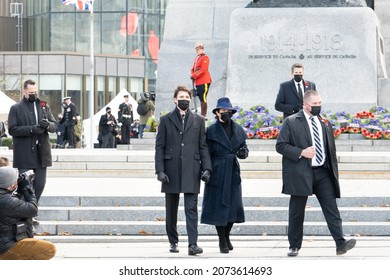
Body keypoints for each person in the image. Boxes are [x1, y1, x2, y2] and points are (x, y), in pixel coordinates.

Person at [275, 90, 356, 257]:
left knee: (332, 209)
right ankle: (294, 245)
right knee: (297, 212)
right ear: (305, 105)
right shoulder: (291, 122)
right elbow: (280, 146)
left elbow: (329, 148)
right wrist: (301, 152)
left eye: (320, 103)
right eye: (315, 104)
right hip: (301, 173)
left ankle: (340, 242)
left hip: (323, 172)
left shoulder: (324, 122)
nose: (318, 107)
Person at [155, 85, 212, 256]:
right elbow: (159, 147)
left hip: (191, 169)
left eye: (187, 97)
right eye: (181, 97)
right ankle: (173, 241)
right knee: (171, 209)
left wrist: (207, 168)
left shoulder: (199, 120)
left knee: (191, 208)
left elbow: (203, 146)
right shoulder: (165, 120)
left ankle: (192, 244)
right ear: (175, 99)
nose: (185, 99)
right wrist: (159, 170)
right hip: (170, 171)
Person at [201, 97, 249, 254]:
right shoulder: (211, 131)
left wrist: (243, 153)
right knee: (219, 208)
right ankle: (221, 239)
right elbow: (206, 153)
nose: (226, 113)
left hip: (233, 172)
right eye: (223, 111)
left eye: (229, 111)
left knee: (233, 207)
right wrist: (206, 170)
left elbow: (244, 150)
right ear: (217, 113)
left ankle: (227, 235)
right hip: (217, 171)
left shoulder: (238, 130)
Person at [8, 79, 57, 211]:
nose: (33, 94)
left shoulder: (44, 106)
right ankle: (26, 214)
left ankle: (30, 210)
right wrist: (32, 129)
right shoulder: (16, 108)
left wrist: (47, 125)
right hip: (24, 154)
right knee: (26, 186)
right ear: (25, 91)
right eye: (31, 92)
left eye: (35, 92)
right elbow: (12, 130)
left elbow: (54, 126)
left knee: (40, 185)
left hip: (42, 153)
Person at [0, 166, 56, 260]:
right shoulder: (7, 200)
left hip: (4, 243)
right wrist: (27, 188)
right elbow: (32, 209)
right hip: (5, 248)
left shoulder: (5, 197)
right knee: (49, 249)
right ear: (10, 186)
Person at [190, 42, 212, 119]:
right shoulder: (197, 58)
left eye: (199, 48)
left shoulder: (205, 57)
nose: (198, 50)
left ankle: (204, 114)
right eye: (197, 49)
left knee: (203, 97)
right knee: (199, 96)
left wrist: (195, 75)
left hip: (204, 80)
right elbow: (193, 68)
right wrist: (192, 74)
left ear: (202, 49)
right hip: (198, 81)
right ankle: (198, 112)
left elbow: (203, 69)